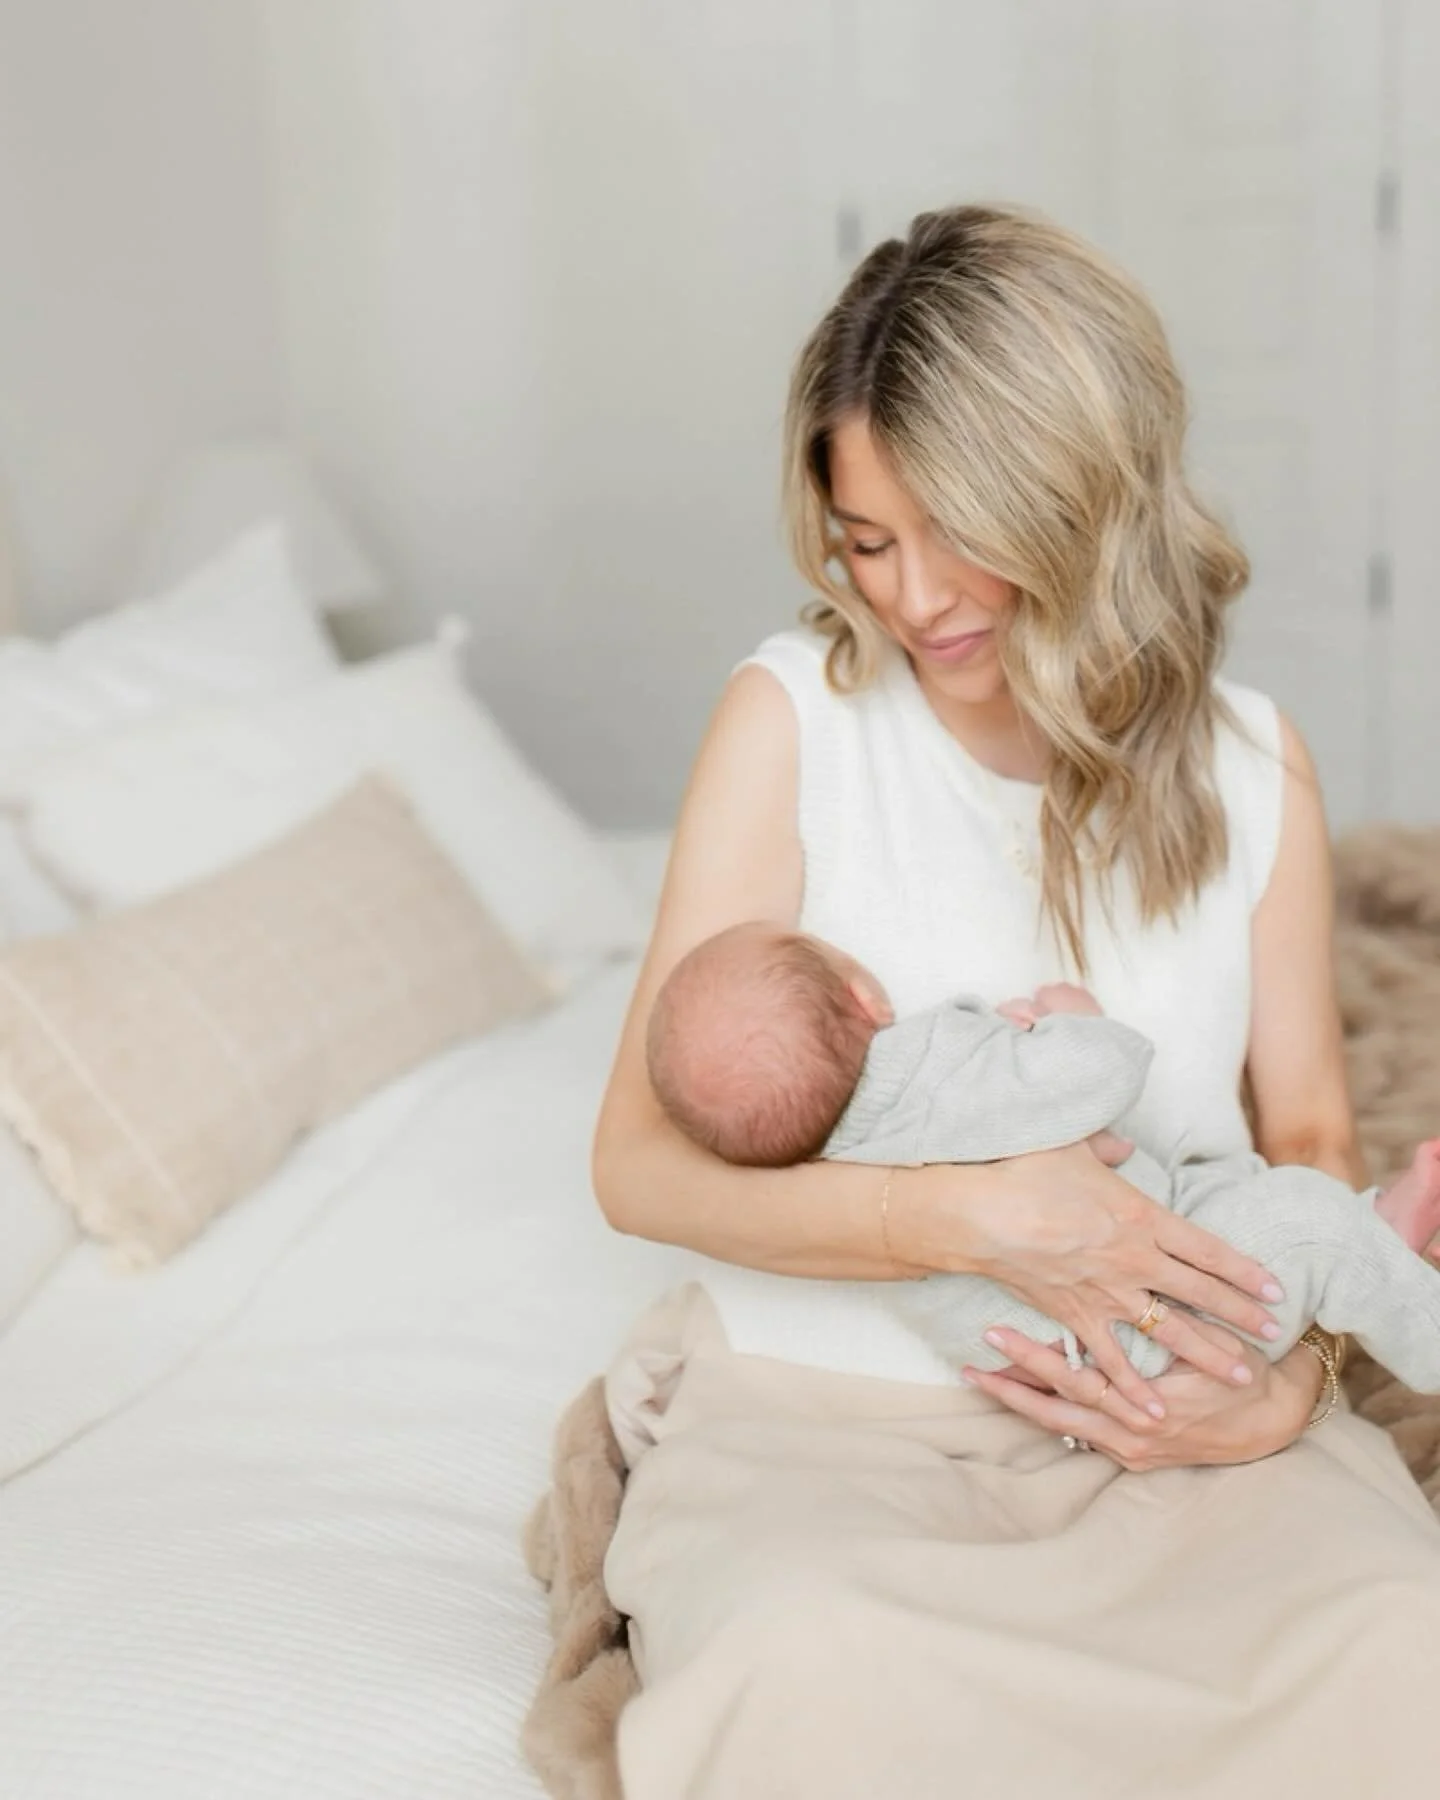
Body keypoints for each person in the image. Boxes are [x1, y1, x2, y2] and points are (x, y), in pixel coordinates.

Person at [588, 206, 1440, 1798]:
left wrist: (1282, 1393)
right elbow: (635, 1166)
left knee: (1407, 1642)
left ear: (1083, 497)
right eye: (864, 540)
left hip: (1168, 1407)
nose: (914, 599)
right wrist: (974, 1224)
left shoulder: (1256, 767)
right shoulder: (797, 721)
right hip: (839, 1411)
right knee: (814, 1667)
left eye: (955, 528)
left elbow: (1309, 1128)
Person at [643, 919, 1440, 1387]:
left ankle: (1372, 1230)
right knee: (1303, 1225)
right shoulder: (935, 1063)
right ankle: (1407, 1304)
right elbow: (1103, 1074)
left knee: (1230, 1192)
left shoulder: (821, 1178)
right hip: (1160, 1320)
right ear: (866, 998)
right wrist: (1072, 1017)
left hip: (1058, 1367)